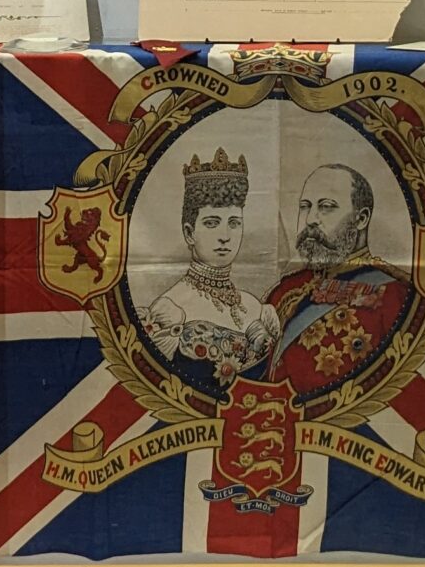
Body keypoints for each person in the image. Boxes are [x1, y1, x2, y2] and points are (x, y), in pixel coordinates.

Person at [264, 161, 410, 399]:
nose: (311, 219)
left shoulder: (395, 296)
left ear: (361, 219)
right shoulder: (285, 291)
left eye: (326, 207)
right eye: (305, 206)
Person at [141, 147, 278, 387]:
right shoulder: (170, 310)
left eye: (234, 223)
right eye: (212, 223)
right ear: (189, 232)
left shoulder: (255, 306)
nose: (225, 236)